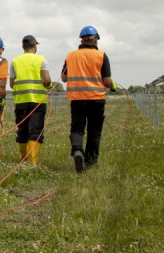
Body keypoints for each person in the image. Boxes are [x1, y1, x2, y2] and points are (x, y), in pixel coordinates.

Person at [61, 25, 118, 173]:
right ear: (95, 40)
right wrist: (113, 85)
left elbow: (64, 77)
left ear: (82, 40)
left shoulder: (71, 56)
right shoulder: (101, 56)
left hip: (77, 99)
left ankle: (77, 150)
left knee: (77, 127)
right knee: (94, 131)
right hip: (96, 99)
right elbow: (106, 80)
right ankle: (90, 163)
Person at [10, 35, 52, 165]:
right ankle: (32, 162)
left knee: (22, 129)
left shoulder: (15, 61)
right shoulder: (41, 59)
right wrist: (49, 86)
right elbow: (46, 80)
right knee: (35, 130)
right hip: (38, 101)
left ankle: (23, 159)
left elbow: (12, 84)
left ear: (23, 47)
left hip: (21, 100)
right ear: (34, 46)